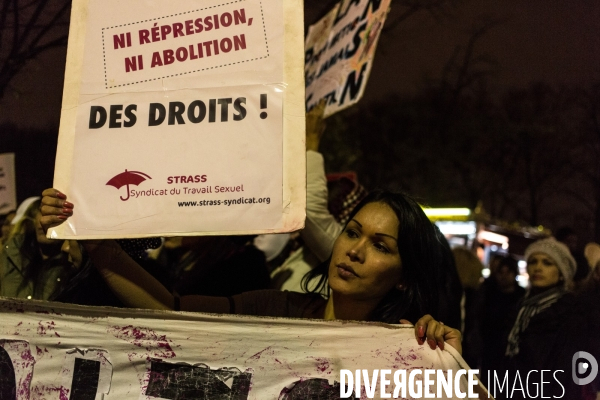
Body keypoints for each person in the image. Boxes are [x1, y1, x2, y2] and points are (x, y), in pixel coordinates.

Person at [40, 188, 462, 353]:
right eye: (352, 233)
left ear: (404, 275)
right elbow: (169, 309)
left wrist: (449, 369)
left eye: (380, 246)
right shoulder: (276, 310)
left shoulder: (412, 347)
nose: (354, 251)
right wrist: (92, 237)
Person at [502, 237, 600, 399]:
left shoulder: (571, 312)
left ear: (562, 273)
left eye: (547, 263)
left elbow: (567, 371)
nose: (538, 268)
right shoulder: (520, 308)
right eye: (533, 262)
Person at [0, 197, 80, 300]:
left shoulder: (72, 265)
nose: (44, 221)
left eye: (55, 214)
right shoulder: (10, 253)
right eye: (42, 212)